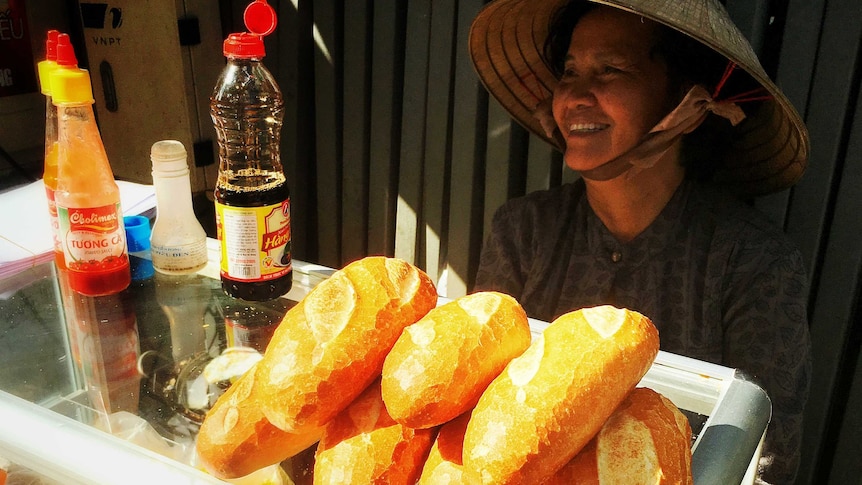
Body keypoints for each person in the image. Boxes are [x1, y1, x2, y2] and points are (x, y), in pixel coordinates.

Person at [468, 0, 812, 483]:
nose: (576, 96)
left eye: (611, 70)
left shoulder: (752, 261)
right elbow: (477, 410)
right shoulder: (522, 231)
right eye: (569, 73)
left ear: (687, 101)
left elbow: (765, 461)